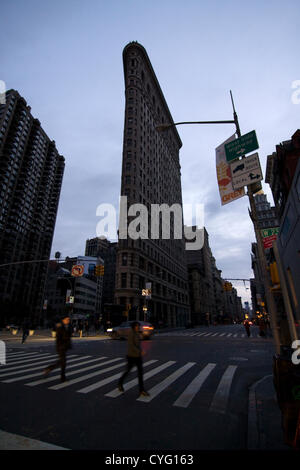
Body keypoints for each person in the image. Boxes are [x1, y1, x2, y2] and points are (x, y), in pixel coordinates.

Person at [118, 321, 149, 397]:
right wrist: (140, 351)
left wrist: (140, 351)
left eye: (138, 326)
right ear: (134, 327)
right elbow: (131, 345)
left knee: (140, 373)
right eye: (137, 326)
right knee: (127, 371)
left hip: (138, 357)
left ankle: (141, 390)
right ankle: (120, 383)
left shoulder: (137, 333)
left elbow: (138, 344)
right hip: (131, 356)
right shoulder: (131, 334)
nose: (138, 327)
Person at [44, 315, 72, 382]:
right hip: (60, 347)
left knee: (61, 362)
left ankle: (49, 369)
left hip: (64, 347)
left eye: (69, 319)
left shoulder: (67, 326)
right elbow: (58, 338)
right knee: (63, 363)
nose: (68, 321)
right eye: (67, 319)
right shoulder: (59, 326)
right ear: (63, 319)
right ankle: (62, 377)